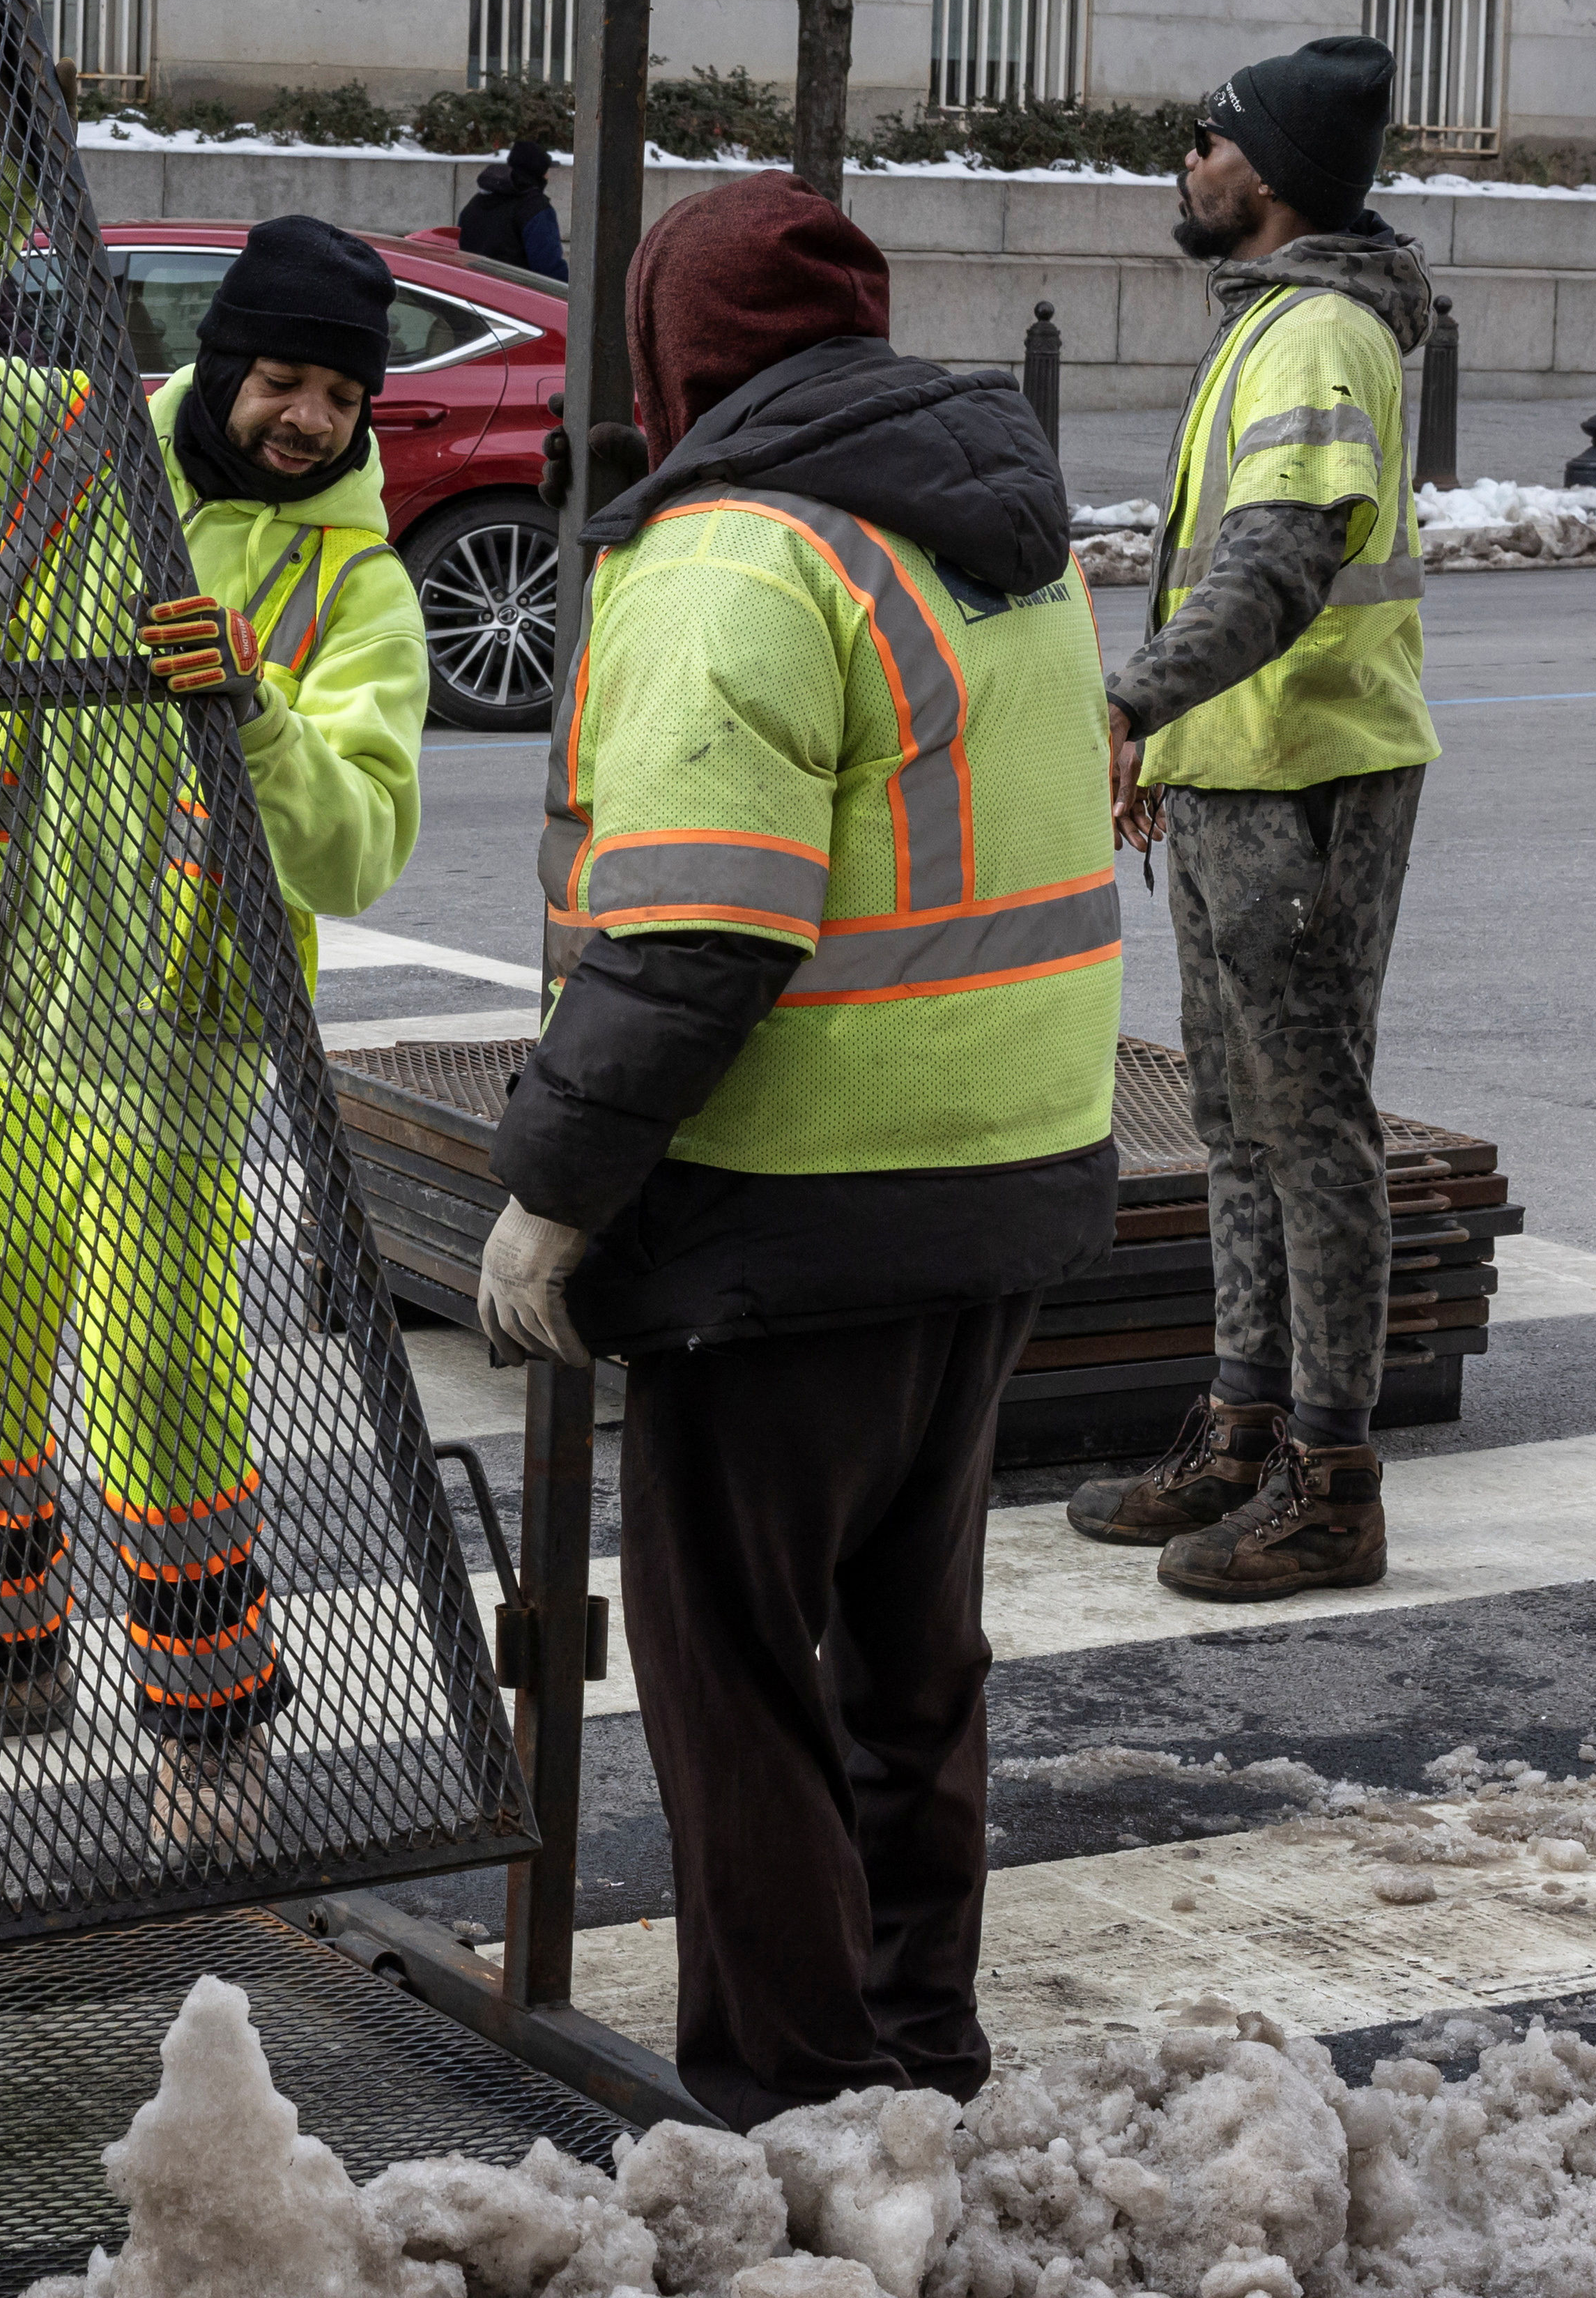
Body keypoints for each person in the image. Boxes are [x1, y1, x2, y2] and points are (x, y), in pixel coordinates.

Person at [472, 171, 1121, 2129]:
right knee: (914, 1656)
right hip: (1006, 1165)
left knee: (735, 1669)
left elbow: (698, 937)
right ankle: (923, 2043)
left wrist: (555, 1198)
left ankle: (796, 2097)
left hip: (793, 1201)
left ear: (672, 352)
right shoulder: (1003, 528)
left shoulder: (737, 560)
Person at [0, 116, 431, 1861]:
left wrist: (261, 712)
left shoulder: (351, 591)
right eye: (282, 379)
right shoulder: (64, 453)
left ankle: (212, 1725)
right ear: (222, 364)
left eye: (338, 398)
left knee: (158, 1376)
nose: (305, 418)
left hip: (164, 1045)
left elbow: (363, 843)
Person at [1071, 36, 1438, 1602]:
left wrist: (1124, 701)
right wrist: (1172, 737)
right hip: (1244, 769)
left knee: (1311, 1130)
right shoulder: (1271, 323)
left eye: (1205, 139)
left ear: (1267, 173)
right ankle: (1239, 1429)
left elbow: (1277, 567)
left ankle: (1333, 1479)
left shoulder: (1312, 336)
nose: (1187, 159)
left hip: (1310, 780)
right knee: (1236, 1126)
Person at [455, 137, 567, 281]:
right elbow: (549, 269)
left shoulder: (477, 202)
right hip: (516, 296)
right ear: (538, 173)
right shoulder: (535, 208)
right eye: (546, 171)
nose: (548, 176)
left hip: (472, 292)